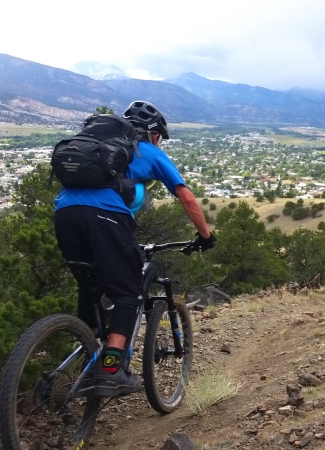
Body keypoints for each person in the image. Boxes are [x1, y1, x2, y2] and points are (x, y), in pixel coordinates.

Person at [53, 100, 216, 397]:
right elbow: (187, 198)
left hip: (65, 215)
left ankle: (89, 356)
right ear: (154, 134)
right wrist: (205, 236)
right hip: (106, 219)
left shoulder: (97, 148)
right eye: (160, 137)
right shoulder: (150, 152)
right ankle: (111, 369)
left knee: (89, 288)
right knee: (128, 295)